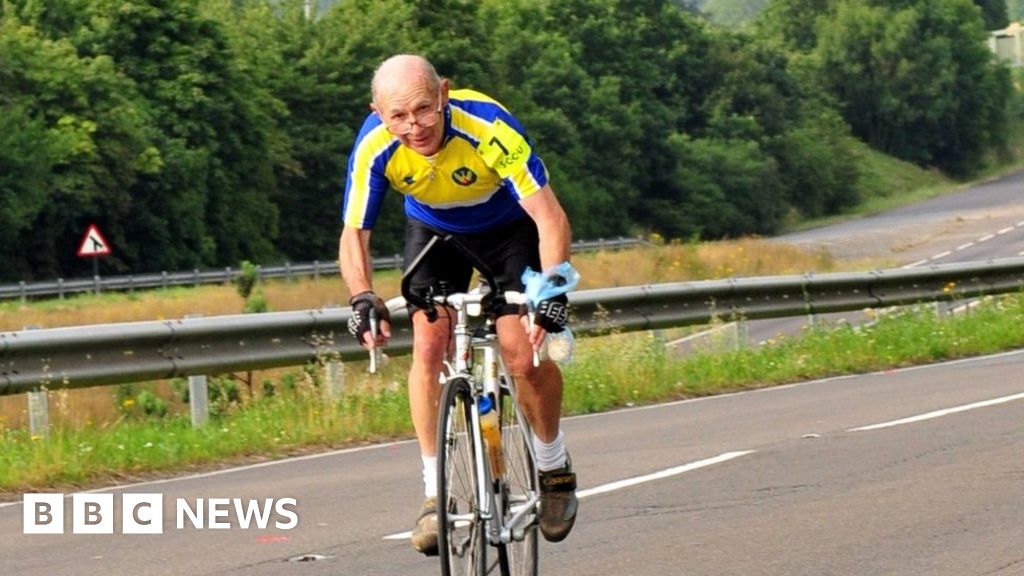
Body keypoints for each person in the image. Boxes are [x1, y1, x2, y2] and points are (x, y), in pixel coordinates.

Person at [338, 54, 578, 555]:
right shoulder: (375, 143)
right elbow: (355, 232)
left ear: (443, 94)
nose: (414, 127)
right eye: (398, 116)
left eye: (423, 109)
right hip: (435, 232)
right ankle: (435, 494)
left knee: (521, 352)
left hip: (509, 230)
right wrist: (361, 296)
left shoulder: (488, 126)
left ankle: (552, 466)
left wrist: (552, 292)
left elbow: (549, 217)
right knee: (429, 343)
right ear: (378, 113)